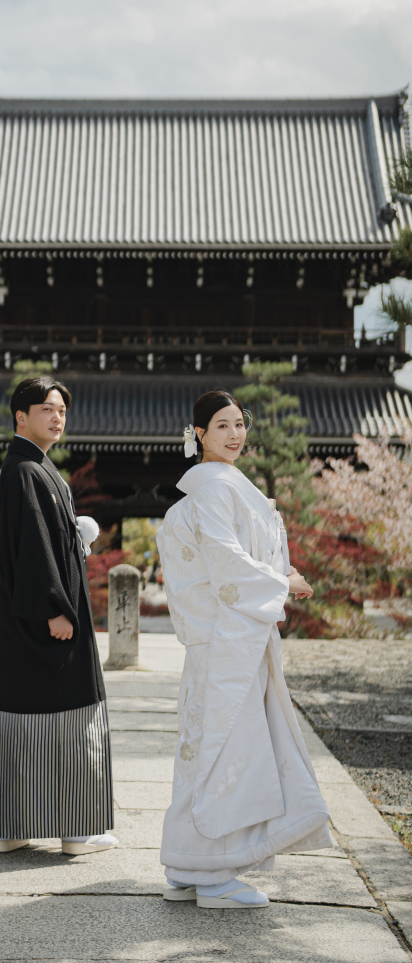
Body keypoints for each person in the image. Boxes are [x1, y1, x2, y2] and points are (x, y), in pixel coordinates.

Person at [156, 390, 332, 910]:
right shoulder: (215, 490)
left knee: (204, 750)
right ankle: (215, 876)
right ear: (199, 435)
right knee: (229, 750)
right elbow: (226, 562)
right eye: (222, 425)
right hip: (227, 642)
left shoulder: (216, 487)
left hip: (225, 639)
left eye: (239, 423)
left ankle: (187, 865)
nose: (235, 434)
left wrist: (275, 576)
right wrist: (284, 582)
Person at [0, 375, 117, 856]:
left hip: (24, 623)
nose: (58, 418)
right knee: (69, 714)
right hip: (46, 620)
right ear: (21, 416)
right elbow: (33, 550)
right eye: (47, 410)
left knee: (23, 713)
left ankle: (11, 828)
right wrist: (56, 609)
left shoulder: (29, 467)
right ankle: (77, 830)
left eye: (62, 411)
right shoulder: (25, 470)